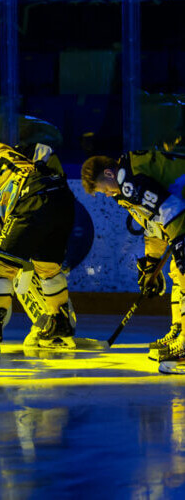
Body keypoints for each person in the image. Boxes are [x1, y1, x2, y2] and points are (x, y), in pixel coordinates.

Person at [81, 151, 185, 374]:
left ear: (109, 173)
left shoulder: (131, 181)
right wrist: (151, 264)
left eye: (104, 189)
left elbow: (172, 209)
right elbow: (155, 225)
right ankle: (180, 333)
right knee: (178, 271)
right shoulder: (125, 187)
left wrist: (180, 242)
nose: (107, 195)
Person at [0, 142, 76, 353]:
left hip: (29, 196)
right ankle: (60, 323)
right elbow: (44, 149)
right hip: (62, 194)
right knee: (47, 267)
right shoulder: (3, 147)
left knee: (1, 267)